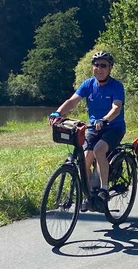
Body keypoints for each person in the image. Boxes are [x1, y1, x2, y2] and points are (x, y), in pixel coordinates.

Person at [51, 50, 126, 211]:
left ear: (110, 68)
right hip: (93, 127)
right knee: (84, 160)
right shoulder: (88, 84)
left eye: (103, 65)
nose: (99, 68)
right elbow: (72, 101)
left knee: (99, 150)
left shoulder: (116, 86)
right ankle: (91, 192)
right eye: (96, 65)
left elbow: (116, 108)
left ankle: (104, 190)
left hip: (113, 127)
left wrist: (105, 119)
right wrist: (58, 113)